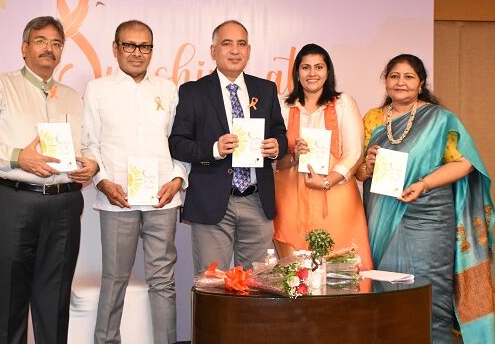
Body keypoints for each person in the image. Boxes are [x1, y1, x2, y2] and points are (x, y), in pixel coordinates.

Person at [0, 16, 99, 344]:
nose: (49, 48)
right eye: (41, 41)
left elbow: (88, 145)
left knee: (55, 302)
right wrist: (19, 156)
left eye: (56, 43)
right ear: (24, 48)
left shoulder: (71, 96)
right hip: (11, 202)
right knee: (10, 300)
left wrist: (91, 164)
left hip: (64, 206)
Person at [355, 54, 495, 343]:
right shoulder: (372, 118)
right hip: (383, 214)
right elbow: (360, 173)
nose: (401, 82)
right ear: (386, 81)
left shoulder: (440, 119)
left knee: (430, 294)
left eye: (409, 77)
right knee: (385, 290)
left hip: (430, 214)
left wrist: (424, 184)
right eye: (394, 76)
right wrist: (367, 165)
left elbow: (465, 163)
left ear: (420, 84)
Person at [82, 20, 188, 344]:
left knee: (163, 281)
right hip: (118, 201)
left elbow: (180, 142)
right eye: (129, 45)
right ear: (115, 48)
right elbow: (89, 145)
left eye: (144, 46)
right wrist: (102, 182)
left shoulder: (168, 90)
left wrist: (178, 178)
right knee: (114, 279)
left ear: (152, 51)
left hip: (162, 199)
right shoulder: (97, 90)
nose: (137, 53)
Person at [169, 20, 287, 274]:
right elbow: (177, 144)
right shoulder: (193, 92)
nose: (235, 50)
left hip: (257, 201)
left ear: (249, 50)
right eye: (227, 43)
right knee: (212, 285)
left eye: (241, 44)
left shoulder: (266, 90)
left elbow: (280, 132)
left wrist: (276, 146)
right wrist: (214, 149)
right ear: (213, 51)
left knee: (259, 284)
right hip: (212, 203)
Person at [272, 44, 373, 270]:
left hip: (336, 193)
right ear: (297, 72)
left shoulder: (344, 103)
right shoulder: (282, 106)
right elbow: (274, 158)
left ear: (328, 71)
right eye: (305, 67)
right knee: (296, 268)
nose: (312, 73)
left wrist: (328, 181)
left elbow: (354, 152)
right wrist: (293, 156)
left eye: (319, 67)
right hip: (290, 198)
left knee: (342, 264)